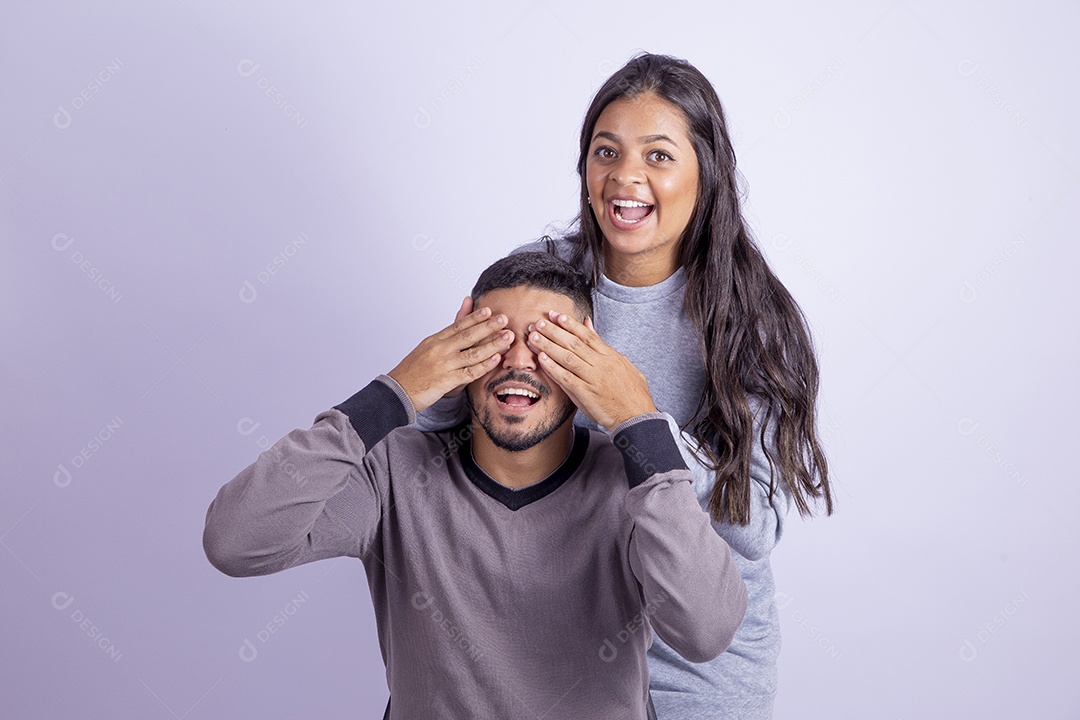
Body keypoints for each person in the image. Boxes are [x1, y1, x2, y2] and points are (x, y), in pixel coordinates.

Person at [418, 53, 834, 719]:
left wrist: (639, 422)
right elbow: (435, 444)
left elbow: (756, 528)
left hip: (695, 673)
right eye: (605, 151)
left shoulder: (752, 320)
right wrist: (449, 376)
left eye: (659, 155)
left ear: (707, 173)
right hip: (555, 658)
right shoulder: (542, 286)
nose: (625, 176)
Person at [203, 252, 748, 719]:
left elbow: (706, 630)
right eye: (494, 338)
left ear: (588, 361)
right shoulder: (395, 471)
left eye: (548, 343)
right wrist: (394, 394)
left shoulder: (634, 487)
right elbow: (236, 540)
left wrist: (641, 424)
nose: (517, 361)